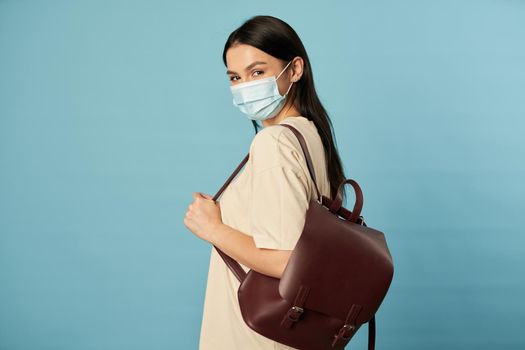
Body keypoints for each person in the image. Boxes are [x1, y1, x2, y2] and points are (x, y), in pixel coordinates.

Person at [183, 15, 348, 350]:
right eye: (235, 77)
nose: (245, 87)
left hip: (256, 338)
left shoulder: (274, 143)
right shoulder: (311, 136)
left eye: (257, 72)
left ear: (295, 69)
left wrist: (212, 228)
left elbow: (287, 261)